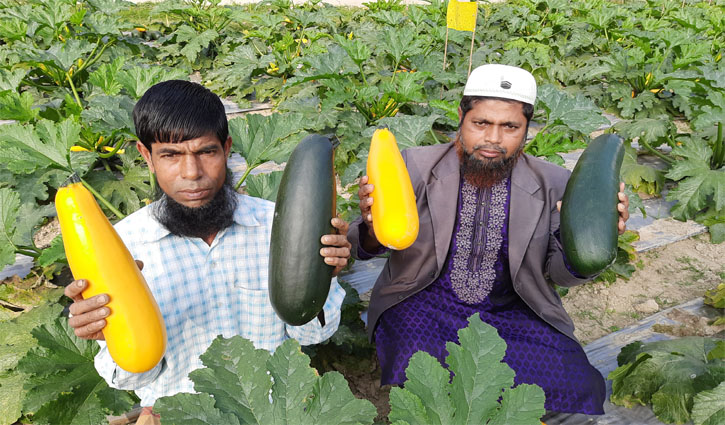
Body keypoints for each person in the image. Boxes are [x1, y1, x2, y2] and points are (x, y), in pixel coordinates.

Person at [348, 64, 630, 415]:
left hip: (513, 312)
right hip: (422, 302)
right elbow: (361, 246)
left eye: (509, 127)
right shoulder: (414, 166)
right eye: (481, 123)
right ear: (461, 117)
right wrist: (372, 230)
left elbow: (560, 275)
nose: (494, 139)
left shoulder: (556, 183)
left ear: (527, 129)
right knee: (425, 379)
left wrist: (587, 241)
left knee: (580, 386)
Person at [64, 80, 350, 423]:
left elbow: (313, 335)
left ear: (227, 148)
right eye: (171, 155)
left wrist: (324, 277)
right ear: (147, 156)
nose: (192, 173)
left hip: (266, 414)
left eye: (206, 152)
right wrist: (108, 334)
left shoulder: (277, 229)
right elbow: (134, 378)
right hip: (172, 417)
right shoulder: (121, 247)